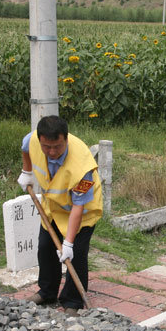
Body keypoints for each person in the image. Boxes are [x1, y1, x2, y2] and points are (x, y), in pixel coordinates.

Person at [17, 115, 102, 316]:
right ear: (40, 140)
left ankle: (72, 301)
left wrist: (69, 244)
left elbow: (78, 207)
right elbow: (25, 148)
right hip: (54, 208)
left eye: (58, 146)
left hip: (82, 213)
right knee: (45, 247)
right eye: (47, 147)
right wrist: (26, 171)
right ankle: (47, 292)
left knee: (76, 256)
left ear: (66, 139)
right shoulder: (32, 140)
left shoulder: (84, 168)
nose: (52, 152)